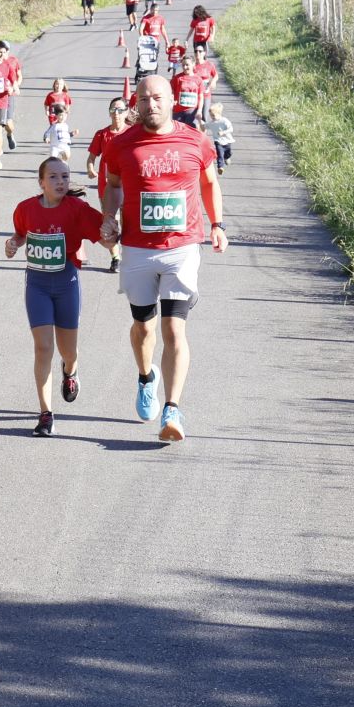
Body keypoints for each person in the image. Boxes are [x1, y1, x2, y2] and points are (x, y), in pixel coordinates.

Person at [98, 75, 230, 443]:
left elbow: (209, 183)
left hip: (181, 247)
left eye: (157, 97)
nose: (150, 104)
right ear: (136, 104)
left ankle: (172, 410)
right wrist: (109, 217)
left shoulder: (195, 140)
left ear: (171, 100)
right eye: (143, 99)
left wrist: (217, 225)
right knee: (144, 328)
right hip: (138, 248)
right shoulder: (120, 145)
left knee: (174, 330)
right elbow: (113, 187)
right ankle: (146, 378)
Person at [5, 158, 107, 437]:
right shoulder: (25, 209)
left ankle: (70, 371)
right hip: (37, 286)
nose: (60, 182)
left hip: (66, 286)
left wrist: (113, 234)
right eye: (53, 177)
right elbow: (20, 234)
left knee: (68, 352)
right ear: (41, 182)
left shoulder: (77, 209)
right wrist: (13, 243)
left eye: (64, 176)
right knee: (43, 348)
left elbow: (104, 236)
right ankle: (45, 414)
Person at [85, 98, 131, 273]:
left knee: (128, 223)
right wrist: (90, 168)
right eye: (113, 110)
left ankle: (129, 254)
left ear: (126, 112)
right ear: (109, 112)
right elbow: (91, 158)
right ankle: (116, 258)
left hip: (129, 186)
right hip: (107, 187)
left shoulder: (132, 133)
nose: (116, 114)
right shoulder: (102, 134)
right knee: (110, 222)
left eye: (120, 110)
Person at [171, 56, 204, 127]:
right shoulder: (177, 78)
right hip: (178, 111)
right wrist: (172, 99)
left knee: (190, 131)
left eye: (187, 65)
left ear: (193, 64)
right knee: (178, 131)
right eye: (183, 65)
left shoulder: (198, 79)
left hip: (191, 111)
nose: (185, 67)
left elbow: (201, 97)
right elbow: (171, 91)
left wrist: (199, 110)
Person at [204, 102, 235, 172]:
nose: (212, 117)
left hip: (227, 140)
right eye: (211, 115)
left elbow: (231, 129)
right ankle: (220, 167)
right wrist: (199, 120)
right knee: (220, 154)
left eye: (213, 115)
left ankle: (227, 157)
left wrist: (223, 132)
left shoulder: (224, 121)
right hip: (218, 141)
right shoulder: (211, 123)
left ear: (219, 113)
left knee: (228, 152)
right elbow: (204, 126)